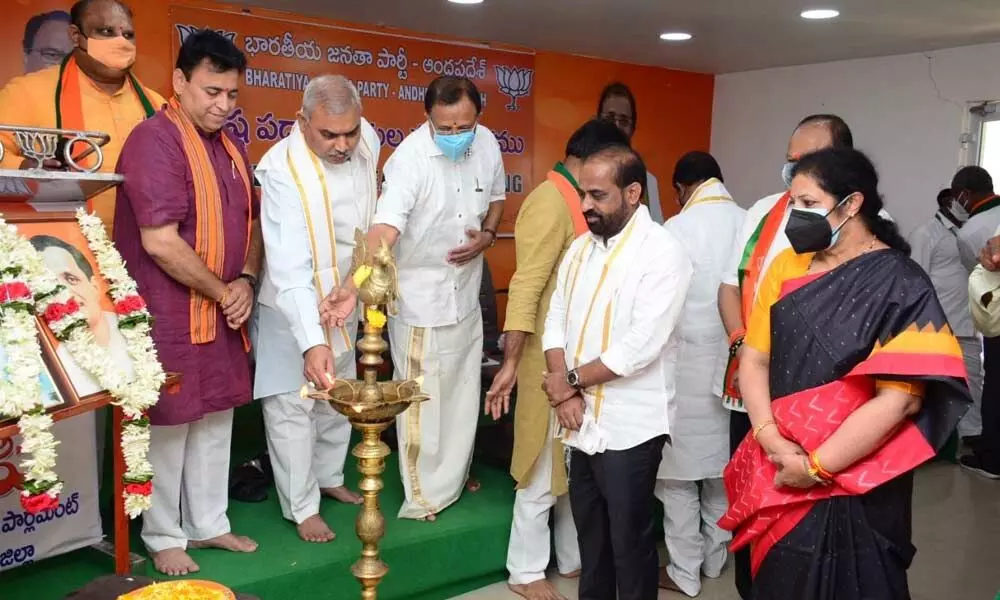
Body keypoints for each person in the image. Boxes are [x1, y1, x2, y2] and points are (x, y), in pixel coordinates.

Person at [721, 148, 970, 600]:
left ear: (851, 204)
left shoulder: (902, 281)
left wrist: (815, 468)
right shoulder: (786, 266)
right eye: (792, 202)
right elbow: (755, 360)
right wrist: (772, 439)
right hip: (779, 460)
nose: (795, 215)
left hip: (857, 476)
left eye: (808, 204)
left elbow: (901, 399)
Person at [321, 75, 505, 520]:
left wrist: (489, 236)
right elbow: (384, 232)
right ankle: (423, 496)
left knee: (462, 394)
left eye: (465, 126)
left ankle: (453, 480)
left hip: (466, 291)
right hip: (422, 298)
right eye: (446, 128)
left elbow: (497, 197)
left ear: (478, 117)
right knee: (423, 399)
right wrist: (350, 287)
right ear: (428, 119)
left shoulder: (487, 144)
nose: (457, 136)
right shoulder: (409, 161)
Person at [114, 30, 261, 576]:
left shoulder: (230, 145)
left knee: (216, 416)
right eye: (211, 91)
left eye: (232, 94)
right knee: (170, 422)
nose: (223, 105)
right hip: (167, 310)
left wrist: (245, 278)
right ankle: (162, 533)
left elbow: (250, 220)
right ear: (179, 81)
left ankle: (208, 522)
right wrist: (224, 291)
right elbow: (159, 240)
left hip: (225, 305)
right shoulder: (154, 140)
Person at [484, 119, 629, 600]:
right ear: (591, 157)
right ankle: (524, 570)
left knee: (575, 468)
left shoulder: (575, 197)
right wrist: (510, 362)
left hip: (578, 365)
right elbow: (527, 284)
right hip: (548, 364)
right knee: (542, 466)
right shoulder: (550, 200)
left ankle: (571, 559)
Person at [540, 145, 692, 600]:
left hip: (631, 426)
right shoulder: (580, 247)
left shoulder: (663, 252)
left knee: (630, 543)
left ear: (632, 193)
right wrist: (566, 394)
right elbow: (556, 317)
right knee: (593, 539)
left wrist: (567, 383)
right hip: (579, 419)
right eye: (583, 193)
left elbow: (639, 348)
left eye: (597, 195)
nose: (586, 205)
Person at [715, 113, 856, 598]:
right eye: (791, 159)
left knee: (806, 523)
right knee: (749, 506)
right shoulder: (760, 213)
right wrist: (741, 344)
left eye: (809, 160)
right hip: (751, 397)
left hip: (821, 406)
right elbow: (729, 288)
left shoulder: (871, 233)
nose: (793, 168)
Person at [253, 75, 376, 542]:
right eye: (329, 135)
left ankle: (329, 478)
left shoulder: (369, 141)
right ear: (302, 122)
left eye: (351, 132)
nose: (344, 144)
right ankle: (301, 506)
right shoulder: (281, 171)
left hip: (348, 298)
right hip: (293, 307)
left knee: (337, 399)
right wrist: (310, 341)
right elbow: (288, 269)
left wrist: (353, 290)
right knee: (294, 406)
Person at [655, 152, 743, 597]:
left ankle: (684, 571)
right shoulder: (750, 222)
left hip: (684, 369)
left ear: (683, 188)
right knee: (719, 472)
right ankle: (714, 559)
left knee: (676, 477)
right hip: (737, 372)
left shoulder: (675, 229)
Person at [0, 0, 164, 235]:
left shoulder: (158, 106)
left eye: (127, 34)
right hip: (62, 253)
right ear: (76, 36)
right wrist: (25, 170)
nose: (120, 42)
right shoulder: (27, 92)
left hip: (148, 252)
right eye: (105, 32)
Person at [909, 188, 982, 442]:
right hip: (939, 326)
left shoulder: (971, 232)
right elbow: (917, 280)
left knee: (973, 383)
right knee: (936, 387)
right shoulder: (926, 233)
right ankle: (936, 440)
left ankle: (973, 436)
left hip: (968, 323)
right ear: (950, 202)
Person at [30, 235, 131, 397]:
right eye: (51, 286)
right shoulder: (53, 370)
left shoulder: (132, 334)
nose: (65, 294)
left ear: (95, 287)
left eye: (71, 279)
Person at [954, 166, 1000, 478]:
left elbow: (981, 274)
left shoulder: (970, 231)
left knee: (994, 385)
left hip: (997, 315)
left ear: (964, 195)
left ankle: (993, 459)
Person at [597, 82, 663, 224]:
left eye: (624, 120)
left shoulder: (647, 181)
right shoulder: (583, 174)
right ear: (598, 122)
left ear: (632, 128)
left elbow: (657, 231)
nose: (616, 126)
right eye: (609, 118)